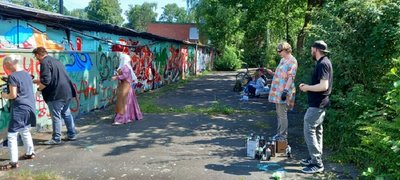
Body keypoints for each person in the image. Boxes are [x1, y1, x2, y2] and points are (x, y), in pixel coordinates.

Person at [299, 40, 333, 174]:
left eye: (311, 49)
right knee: (317, 130)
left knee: (309, 129)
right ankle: (315, 158)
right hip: (320, 103)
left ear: (315, 49)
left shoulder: (323, 64)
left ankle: (317, 164)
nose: (310, 51)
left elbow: (324, 86)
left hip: (317, 104)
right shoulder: (323, 62)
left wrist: (307, 88)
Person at [32, 47, 77, 145]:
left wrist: (39, 89)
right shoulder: (56, 61)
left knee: (56, 116)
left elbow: (46, 81)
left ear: (38, 55)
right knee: (66, 113)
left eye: (36, 57)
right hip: (67, 91)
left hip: (56, 94)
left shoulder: (44, 63)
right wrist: (38, 81)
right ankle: (72, 134)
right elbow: (54, 77)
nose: (37, 59)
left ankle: (56, 138)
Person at [0, 55, 36, 170]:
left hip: (19, 108)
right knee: (25, 130)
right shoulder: (27, 74)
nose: (5, 67)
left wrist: (4, 95)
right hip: (29, 106)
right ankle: (30, 153)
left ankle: (13, 162)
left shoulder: (12, 77)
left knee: (11, 135)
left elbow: (13, 95)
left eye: (6, 65)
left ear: (11, 63)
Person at [267, 42, 298, 140]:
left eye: (280, 51)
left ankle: (283, 136)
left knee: (282, 114)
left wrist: (285, 91)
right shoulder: (282, 60)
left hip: (284, 91)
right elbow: (280, 75)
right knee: (279, 113)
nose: (278, 52)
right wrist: (272, 73)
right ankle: (279, 133)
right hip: (277, 90)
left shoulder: (292, 61)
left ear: (285, 50)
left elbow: (290, 78)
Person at [111, 53, 143, 125]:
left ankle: (121, 119)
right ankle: (129, 117)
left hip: (125, 87)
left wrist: (116, 77)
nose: (120, 60)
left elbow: (125, 76)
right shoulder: (126, 67)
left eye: (121, 59)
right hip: (126, 86)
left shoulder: (125, 67)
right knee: (128, 103)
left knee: (123, 102)